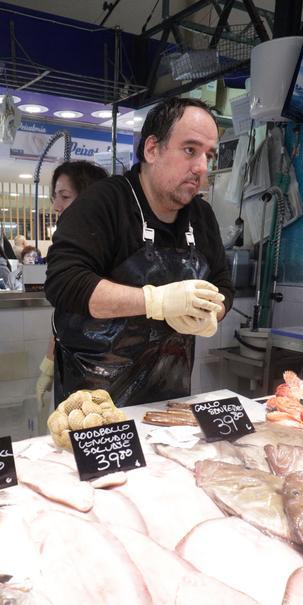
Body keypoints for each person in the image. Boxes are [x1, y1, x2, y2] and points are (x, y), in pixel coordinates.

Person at [44, 98, 234, 406]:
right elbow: (64, 283)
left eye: (208, 155)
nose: (201, 167)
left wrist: (213, 312)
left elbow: (223, 283)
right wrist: (156, 301)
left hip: (169, 395)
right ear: (151, 149)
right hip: (95, 396)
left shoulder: (201, 215)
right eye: (190, 150)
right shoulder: (104, 202)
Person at [35, 160, 109, 409]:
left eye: (64, 197)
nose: (56, 207)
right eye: (55, 197)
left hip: (106, 373)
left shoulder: (110, 247)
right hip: (72, 365)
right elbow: (65, 312)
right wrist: (49, 363)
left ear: (91, 198)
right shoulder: (69, 247)